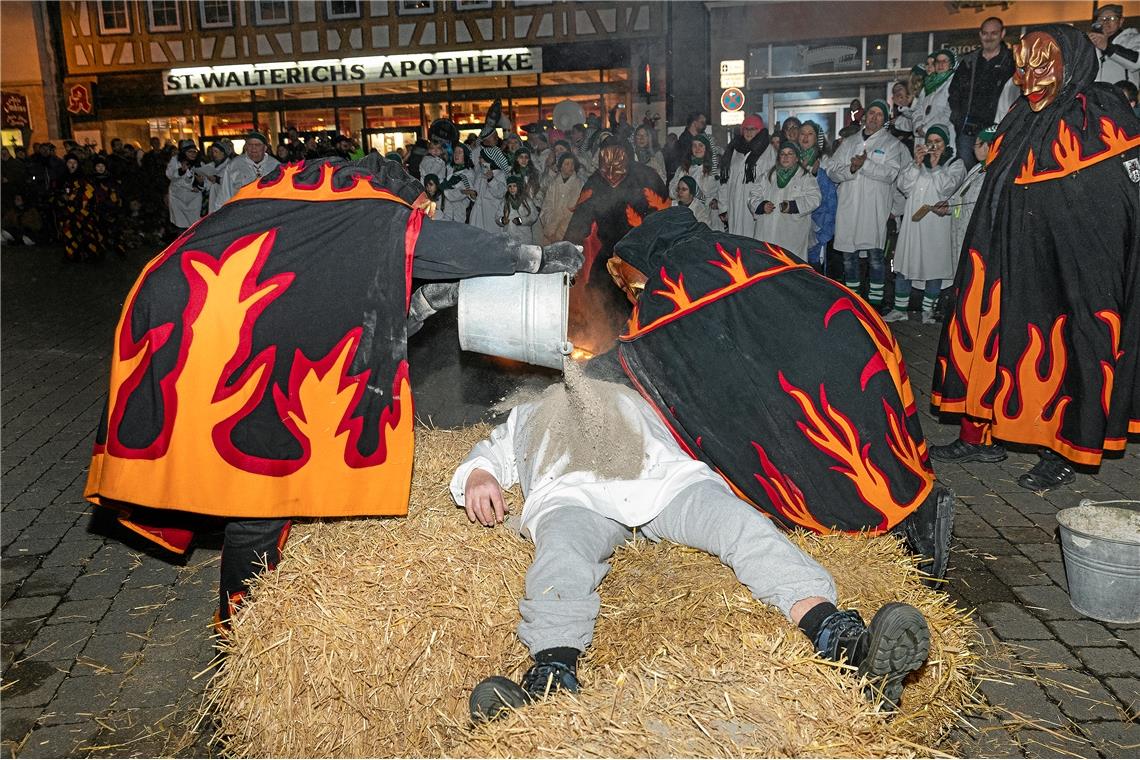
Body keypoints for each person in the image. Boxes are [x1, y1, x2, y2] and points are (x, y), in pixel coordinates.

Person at [84, 155, 586, 630]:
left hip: (189, 306)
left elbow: (338, 319)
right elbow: (440, 246)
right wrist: (535, 257)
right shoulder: (367, 208)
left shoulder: (311, 199)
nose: (419, 221)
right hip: (209, 322)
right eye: (419, 214)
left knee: (243, 452)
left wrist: (418, 307)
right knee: (260, 476)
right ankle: (242, 627)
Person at [458, 366, 932, 720]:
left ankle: (840, 638)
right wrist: (481, 477)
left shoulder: (631, 393)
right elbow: (487, 457)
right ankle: (552, 676)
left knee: (739, 525)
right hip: (573, 499)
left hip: (663, 484)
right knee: (561, 557)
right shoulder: (527, 413)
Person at [604, 207, 954, 581]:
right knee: (875, 438)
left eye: (634, 286)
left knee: (814, 456)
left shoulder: (670, 283)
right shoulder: (744, 246)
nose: (635, 295)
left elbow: (642, 349)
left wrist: (589, 371)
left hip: (800, 368)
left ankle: (862, 523)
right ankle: (917, 512)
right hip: (849, 338)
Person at [931, 24, 1140, 492]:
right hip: (1007, 255)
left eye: (1042, 64)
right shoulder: (1020, 118)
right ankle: (981, 433)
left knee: (1067, 347)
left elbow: (1120, 197)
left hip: (1071, 266)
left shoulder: (1098, 115)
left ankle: (1061, 447)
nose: (1027, 78)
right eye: (1021, 66)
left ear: (1073, 63)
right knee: (989, 335)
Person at [825, 100, 906, 307]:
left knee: (876, 258)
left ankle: (875, 304)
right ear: (865, 116)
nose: (874, 117)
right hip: (850, 207)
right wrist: (850, 170)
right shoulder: (849, 142)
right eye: (871, 113)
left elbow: (891, 174)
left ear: (885, 119)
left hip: (874, 209)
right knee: (849, 257)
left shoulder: (892, 144)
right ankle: (854, 302)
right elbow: (832, 171)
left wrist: (865, 165)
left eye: (879, 114)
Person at [884, 125, 967, 325]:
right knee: (905, 263)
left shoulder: (955, 163)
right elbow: (904, 186)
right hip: (914, 223)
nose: (934, 146)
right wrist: (916, 164)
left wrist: (936, 167)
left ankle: (927, 311)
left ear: (946, 143)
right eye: (930, 141)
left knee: (934, 265)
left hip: (936, 223)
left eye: (938, 142)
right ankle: (899, 309)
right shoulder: (918, 162)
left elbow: (947, 189)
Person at [949, 17, 1015, 170]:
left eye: (994, 33)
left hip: (998, 130)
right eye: (985, 33)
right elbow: (954, 92)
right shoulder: (969, 62)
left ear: (1002, 33)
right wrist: (958, 119)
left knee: (994, 172)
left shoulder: (1012, 61)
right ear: (980, 35)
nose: (989, 37)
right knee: (964, 174)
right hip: (968, 130)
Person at [747, 142, 821, 258]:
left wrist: (794, 206)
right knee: (767, 264)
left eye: (790, 154)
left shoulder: (806, 177)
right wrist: (761, 206)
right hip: (767, 231)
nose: (785, 157)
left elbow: (815, 198)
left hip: (791, 234)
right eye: (782, 154)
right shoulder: (767, 176)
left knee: (790, 266)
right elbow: (753, 195)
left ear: (797, 158)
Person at [945, 125, 998, 276]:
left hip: (975, 240)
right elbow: (961, 200)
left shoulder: (993, 176)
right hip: (960, 234)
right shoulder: (977, 169)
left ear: (989, 146)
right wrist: (948, 207)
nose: (974, 148)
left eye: (978, 143)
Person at [718, 114, 771, 236]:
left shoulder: (768, 151)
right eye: (746, 128)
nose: (749, 132)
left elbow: (769, 180)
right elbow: (725, 180)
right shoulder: (734, 149)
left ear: (760, 130)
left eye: (753, 129)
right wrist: (723, 207)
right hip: (734, 205)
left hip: (754, 207)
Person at [799, 121, 838, 273]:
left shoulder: (825, 161)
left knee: (814, 268)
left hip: (818, 223)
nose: (805, 137)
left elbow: (829, 197)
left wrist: (816, 175)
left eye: (810, 134)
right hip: (797, 222)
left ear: (817, 138)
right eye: (802, 133)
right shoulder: (791, 158)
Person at [907, 50, 958, 146]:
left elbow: (949, 112)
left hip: (942, 137)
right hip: (923, 137)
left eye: (944, 61)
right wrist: (918, 126)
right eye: (938, 61)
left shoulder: (954, 83)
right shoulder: (928, 84)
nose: (941, 64)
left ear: (951, 64)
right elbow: (918, 109)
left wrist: (926, 129)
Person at [218, 131, 280, 208]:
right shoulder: (234, 165)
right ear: (246, 147)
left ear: (265, 148)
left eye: (257, 145)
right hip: (241, 211)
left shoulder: (275, 165)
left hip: (268, 210)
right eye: (250, 145)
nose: (253, 148)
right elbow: (224, 195)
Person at [470, 129, 510, 233]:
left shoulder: (500, 175)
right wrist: (472, 194)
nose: (480, 160)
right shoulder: (480, 174)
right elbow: (476, 194)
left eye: (482, 158)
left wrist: (491, 179)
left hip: (492, 222)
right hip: (478, 220)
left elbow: (501, 193)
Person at [1089, 4, 1140, 86]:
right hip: (1097, 95)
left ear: (1121, 21)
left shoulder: (1134, 39)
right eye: (1102, 19)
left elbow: (1137, 62)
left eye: (1112, 18)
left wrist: (1107, 47)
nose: (1106, 22)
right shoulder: (1092, 43)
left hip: (1123, 96)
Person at [538, 153, 583, 245]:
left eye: (572, 164)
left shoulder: (578, 184)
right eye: (567, 164)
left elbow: (570, 210)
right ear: (560, 166)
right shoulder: (554, 183)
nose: (571, 167)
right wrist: (549, 229)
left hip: (567, 233)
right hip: (549, 232)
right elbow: (547, 206)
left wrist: (558, 234)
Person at [669, 134, 719, 212]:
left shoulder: (715, 170)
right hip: (687, 213)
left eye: (700, 145)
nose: (697, 148)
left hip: (709, 214)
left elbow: (722, 191)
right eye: (694, 145)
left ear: (707, 148)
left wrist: (716, 201)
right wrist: (680, 191)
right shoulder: (683, 169)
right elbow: (672, 191)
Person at [165, 140, 204, 236]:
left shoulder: (200, 163)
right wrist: (181, 170)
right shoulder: (176, 160)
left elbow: (204, 181)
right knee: (181, 225)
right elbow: (169, 175)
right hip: (178, 198)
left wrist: (200, 184)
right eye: (190, 151)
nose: (193, 154)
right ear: (184, 152)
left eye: (194, 151)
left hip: (194, 198)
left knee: (194, 224)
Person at [439, 142, 476, 224]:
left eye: (460, 152)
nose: (456, 155)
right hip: (443, 213)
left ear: (465, 155)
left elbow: (456, 195)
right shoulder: (448, 168)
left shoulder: (468, 174)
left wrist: (442, 189)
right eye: (455, 152)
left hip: (459, 216)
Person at [498, 175, 540, 244]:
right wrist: (502, 220)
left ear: (519, 187)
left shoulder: (526, 201)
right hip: (509, 237)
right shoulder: (505, 202)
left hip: (523, 237)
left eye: (514, 186)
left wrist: (521, 220)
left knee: (523, 254)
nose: (512, 188)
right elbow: (497, 216)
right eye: (510, 186)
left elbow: (533, 215)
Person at [203, 140, 234, 215]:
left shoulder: (231, 165)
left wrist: (217, 179)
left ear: (223, 153)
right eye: (212, 152)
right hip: (213, 200)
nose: (214, 154)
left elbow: (232, 182)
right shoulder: (210, 165)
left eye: (216, 152)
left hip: (225, 200)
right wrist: (201, 181)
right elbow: (206, 185)